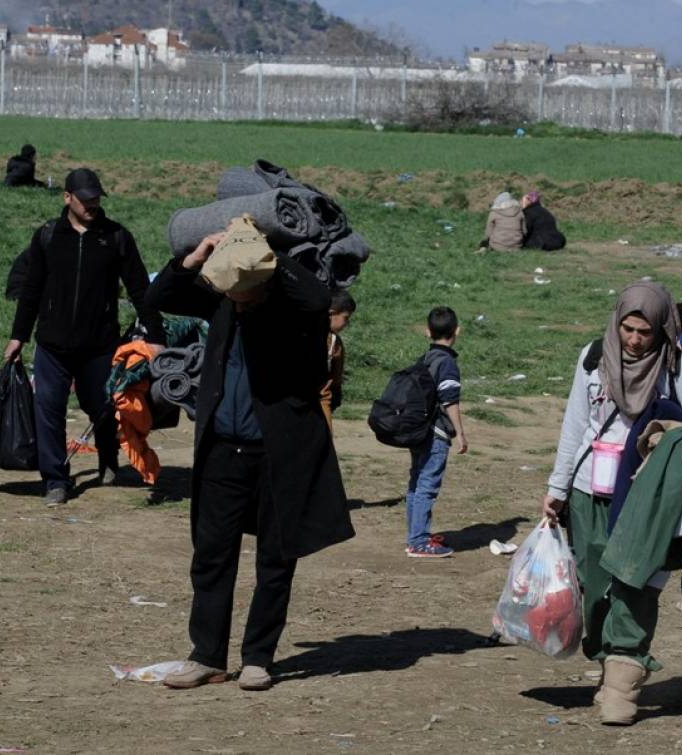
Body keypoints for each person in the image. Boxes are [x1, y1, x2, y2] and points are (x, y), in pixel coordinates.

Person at [144, 231, 355, 691]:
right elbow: (158, 294)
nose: (236, 302)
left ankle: (259, 657)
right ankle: (207, 657)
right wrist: (198, 256)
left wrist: (265, 257)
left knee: (276, 560)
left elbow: (319, 297)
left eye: (244, 292)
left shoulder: (294, 311)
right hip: (223, 450)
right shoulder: (223, 303)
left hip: (278, 454)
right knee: (212, 556)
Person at [539, 282, 682, 723]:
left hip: (647, 497)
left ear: (660, 331)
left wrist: (671, 448)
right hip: (587, 494)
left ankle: (622, 688)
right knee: (594, 588)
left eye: (644, 332)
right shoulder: (593, 357)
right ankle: (606, 667)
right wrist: (557, 488)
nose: (633, 339)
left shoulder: (677, 365)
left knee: (636, 585)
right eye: (627, 328)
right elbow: (574, 424)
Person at [5, 168, 165, 505]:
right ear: (67, 198)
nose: (92, 204)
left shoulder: (116, 237)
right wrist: (18, 336)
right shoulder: (48, 236)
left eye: (96, 198)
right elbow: (31, 290)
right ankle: (55, 481)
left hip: (99, 345)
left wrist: (156, 335)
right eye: (85, 199)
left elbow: (140, 289)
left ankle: (108, 456)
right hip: (51, 344)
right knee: (48, 408)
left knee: (101, 408)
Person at [406, 306, 469, 558]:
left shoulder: (426, 358)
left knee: (416, 481)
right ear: (457, 331)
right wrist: (460, 432)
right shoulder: (447, 363)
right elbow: (449, 400)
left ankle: (414, 536)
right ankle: (419, 542)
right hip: (437, 433)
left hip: (418, 431)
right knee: (427, 485)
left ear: (427, 332)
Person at [319, 289, 356, 429]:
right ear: (331, 313)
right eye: (346, 318)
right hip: (320, 405)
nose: (347, 323)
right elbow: (336, 376)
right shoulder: (333, 342)